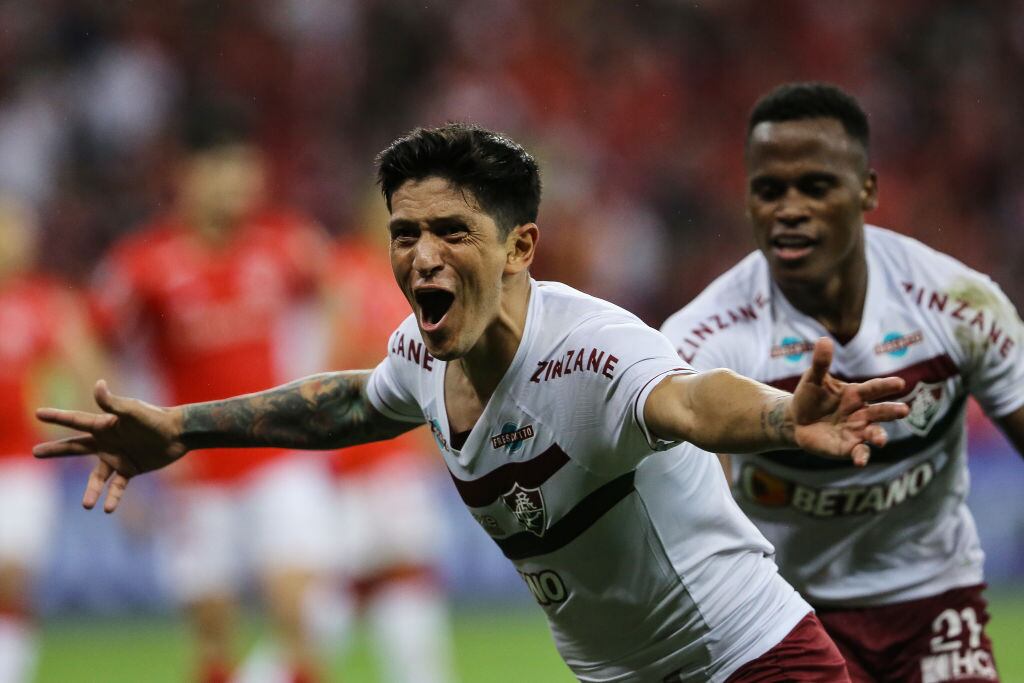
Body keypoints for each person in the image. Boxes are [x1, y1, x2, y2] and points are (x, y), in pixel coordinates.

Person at [38, 123, 911, 682]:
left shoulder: (593, 349)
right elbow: (345, 404)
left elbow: (685, 401)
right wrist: (182, 428)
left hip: (747, 660)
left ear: (521, 245)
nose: (422, 256)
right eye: (405, 232)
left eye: (453, 231)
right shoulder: (421, 353)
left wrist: (780, 416)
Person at [660, 82, 1024, 683]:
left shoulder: (960, 306)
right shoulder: (706, 339)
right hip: (784, 612)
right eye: (769, 190)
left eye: (816, 186)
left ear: (867, 191)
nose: (790, 208)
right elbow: (692, 516)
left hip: (934, 598)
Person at [89, 115, 336, 683]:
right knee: (213, 635)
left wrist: (323, 391)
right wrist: (120, 435)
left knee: (299, 612)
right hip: (193, 467)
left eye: (246, 170)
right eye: (222, 170)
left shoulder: (286, 243)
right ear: (187, 176)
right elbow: (91, 342)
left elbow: (337, 300)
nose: (238, 184)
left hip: (279, 456)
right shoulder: (142, 263)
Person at [316, 227, 459, 683]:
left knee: (397, 577)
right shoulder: (341, 272)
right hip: (357, 461)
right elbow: (333, 363)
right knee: (361, 583)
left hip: (395, 459)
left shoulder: (413, 278)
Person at [0, 194, 104, 683]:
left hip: (21, 464)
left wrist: (91, 425)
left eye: (16, 228)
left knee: (12, 574)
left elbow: (87, 374)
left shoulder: (47, 303)